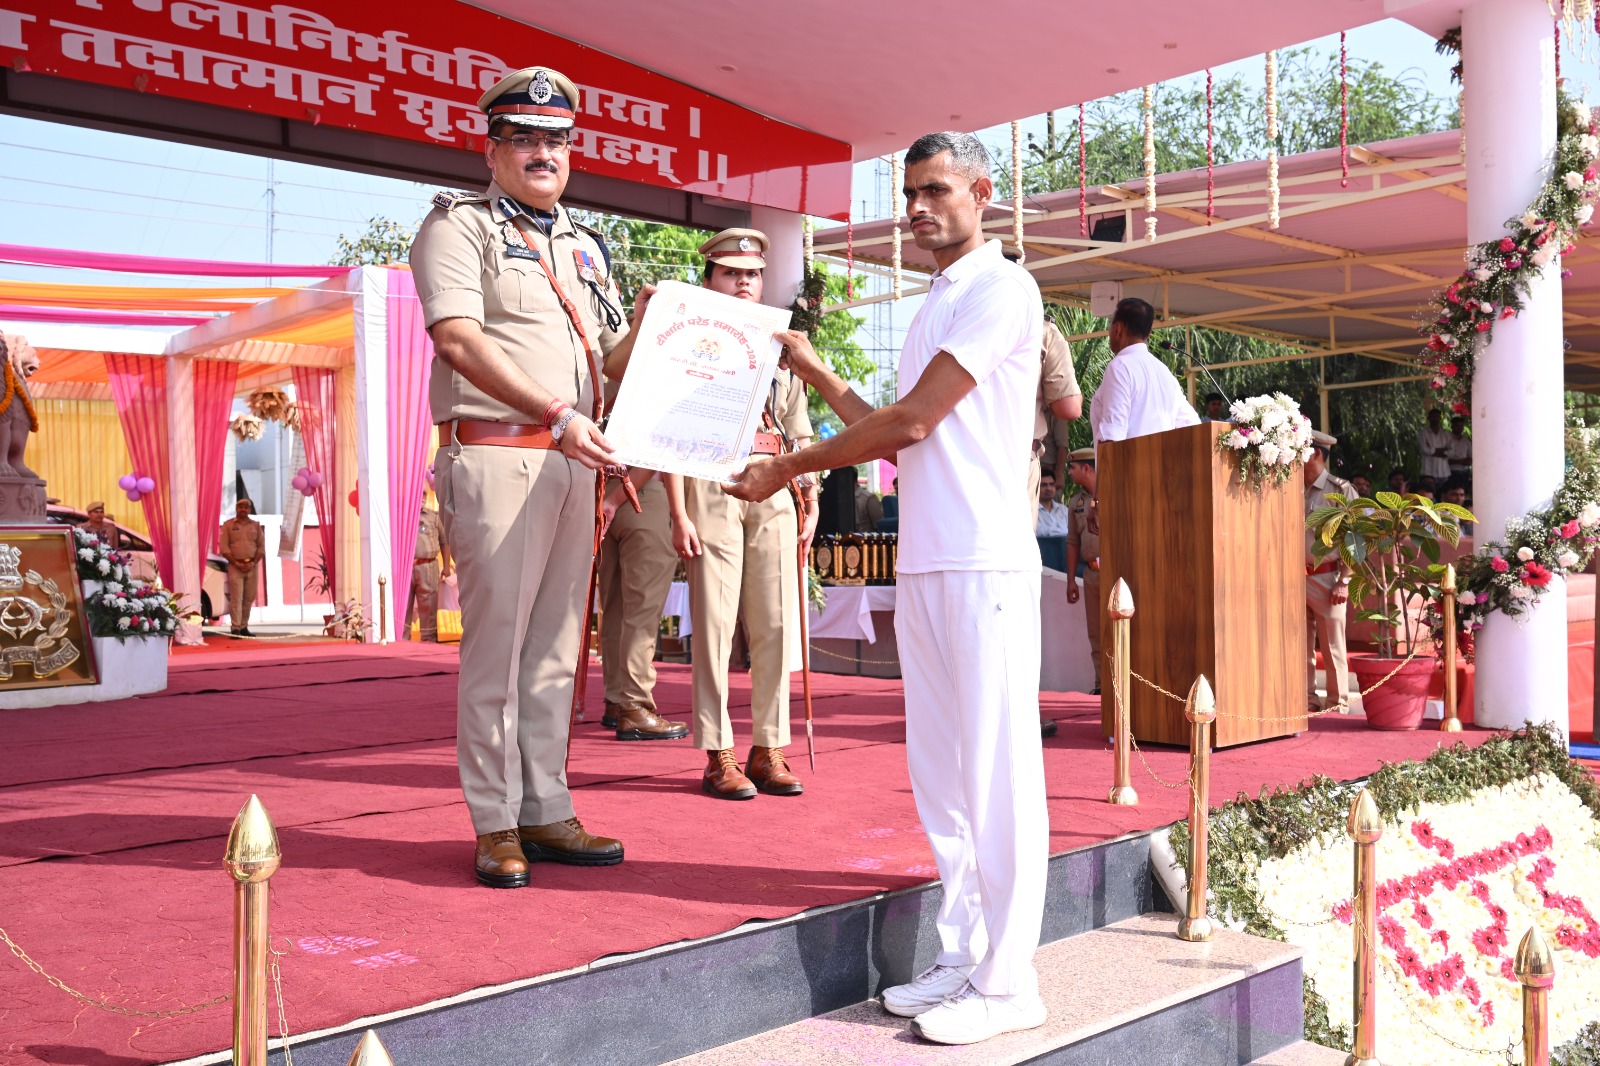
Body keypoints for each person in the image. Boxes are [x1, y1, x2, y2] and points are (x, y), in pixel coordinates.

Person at [726, 131, 1049, 1046]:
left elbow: (910, 421)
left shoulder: (1001, 288)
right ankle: (963, 954)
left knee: (997, 772)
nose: (917, 208)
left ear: (981, 192)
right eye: (909, 193)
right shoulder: (935, 302)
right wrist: (809, 363)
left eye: (936, 190)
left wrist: (786, 461)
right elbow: (894, 426)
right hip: (930, 558)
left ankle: (1011, 978)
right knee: (942, 774)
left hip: (984, 558)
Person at [411, 65, 640, 889]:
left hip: (574, 459)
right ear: (494, 145)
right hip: (501, 452)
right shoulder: (457, 227)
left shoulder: (583, 241)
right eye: (527, 138)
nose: (544, 152)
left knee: (553, 652)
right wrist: (558, 414)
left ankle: (546, 806)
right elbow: (461, 342)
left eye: (557, 139)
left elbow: (605, 360)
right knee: (499, 652)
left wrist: (656, 325)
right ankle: (495, 820)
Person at [665, 227, 818, 800]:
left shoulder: (784, 345)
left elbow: (800, 427)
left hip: (775, 482)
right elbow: (670, 434)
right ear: (710, 280)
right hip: (712, 479)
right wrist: (678, 513)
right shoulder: (687, 341)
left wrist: (811, 492)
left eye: (751, 274)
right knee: (714, 625)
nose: (743, 283)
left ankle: (767, 748)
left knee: (777, 622)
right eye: (731, 273)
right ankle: (718, 753)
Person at [597, 382, 687, 741]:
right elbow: (658, 451)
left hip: (603, 495)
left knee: (615, 607)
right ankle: (635, 706)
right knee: (641, 612)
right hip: (638, 496)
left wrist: (609, 500)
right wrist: (618, 499)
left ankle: (617, 700)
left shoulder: (601, 373)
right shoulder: (653, 378)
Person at [1089, 298, 1200, 445]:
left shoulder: (1119, 367)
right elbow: (1193, 426)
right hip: (1161, 466)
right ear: (1148, 333)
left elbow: (1112, 437)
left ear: (1118, 328)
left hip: (1128, 466)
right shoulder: (1164, 372)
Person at [1305, 431, 1358, 713]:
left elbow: (1354, 537)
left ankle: (1337, 706)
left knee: (1333, 647)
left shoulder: (1340, 490)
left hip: (1327, 578)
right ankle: (1306, 702)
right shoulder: (1288, 486)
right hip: (1292, 579)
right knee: (1299, 648)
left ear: (1315, 453)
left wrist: (1344, 579)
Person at [1030, 315, 1082, 506]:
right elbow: (1071, 407)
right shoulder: (1045, 332)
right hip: (1032, 463)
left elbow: (1062, 444)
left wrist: (1058, 475)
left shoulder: (1053, 408)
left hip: (1047, 469)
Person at [1063, 449, 1102, 695]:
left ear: (1087, 468)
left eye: (1073, 468)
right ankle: (1101, 685)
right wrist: (1070, 581)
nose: (1069, 473)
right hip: (1091, 574)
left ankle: (1121, 685)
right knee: (1096, 633)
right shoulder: (1076, 503)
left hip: (1116, 573)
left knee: (1118, 631)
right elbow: (1072, 542)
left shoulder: (1114, 492)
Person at [404, 500, 452, 643]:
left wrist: (447, 566)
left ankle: (429, 642)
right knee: (403, 607)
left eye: (424, 493)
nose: (422, 496)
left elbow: (445, 541)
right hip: (404, 569)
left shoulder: (433, 517)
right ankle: (401, 641)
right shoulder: (400, 515)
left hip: (428, 565)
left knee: (428, 606)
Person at [219, 498, 265, 637]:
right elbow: (224, 548)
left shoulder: (256, 526)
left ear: (250, 509)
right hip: (235, 566)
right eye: (240, 507)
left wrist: (253, 563)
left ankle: (244, 626)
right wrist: (236, 563)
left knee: (248, 598)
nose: (243, 509)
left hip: (252, 566)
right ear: (236, 508)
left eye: (246, 507)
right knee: (236, 598)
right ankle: (236, 628)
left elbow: (261, 547)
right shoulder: (228, 525)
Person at [1418, 409, 1452, 483]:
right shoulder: (1423, 433)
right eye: (1433, 416)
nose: (1435, 418)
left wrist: (1432, 450)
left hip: (1444, 472)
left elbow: (1452, 450)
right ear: (1429, 418)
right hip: (1428, 472)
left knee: (1443, 494)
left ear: (1440, 418)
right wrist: (1443, 450)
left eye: (1437, 416)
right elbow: (1424, 449)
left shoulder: (1446, 434)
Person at [1035, 471, 1070, 536]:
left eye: (1051, 484)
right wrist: (1067, 532)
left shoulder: (1064, 510)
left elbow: (1074, 532)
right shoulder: (1032, 511)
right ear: (1036, 487)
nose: (1048, 488)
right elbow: (1040, 532)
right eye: (1044, 485)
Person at [1447, 415, 1472, 481]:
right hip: (1450, 473)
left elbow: (1470, 460)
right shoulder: (1446, 440)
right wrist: (1461, 461)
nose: (1459, 428)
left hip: (1464, 473)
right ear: (1452, 426)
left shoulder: (1466, 441)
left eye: (1461, 426)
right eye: (1457, 426)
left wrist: (1456, 461)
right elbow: (1444, 460)